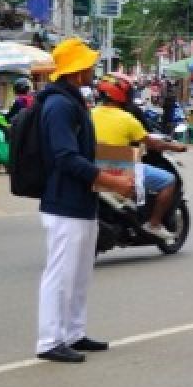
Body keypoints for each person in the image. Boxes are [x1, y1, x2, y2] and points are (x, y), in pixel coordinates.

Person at [35, 38, 136, 364]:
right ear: (77, 71)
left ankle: (74, 332)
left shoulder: (72, 100)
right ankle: (50, 340)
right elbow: (66, 158)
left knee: (79, 274)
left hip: (81, 201)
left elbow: (84, 152)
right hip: (65, 203)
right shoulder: (59, 106)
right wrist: (113, 182)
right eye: (90, 64)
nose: (94, 69)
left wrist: (115, 171)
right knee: (60, 274)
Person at [91, 73, 188, 242]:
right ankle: (154, 223)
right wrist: (176, 147)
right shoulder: (127, 119)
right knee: (169, 180)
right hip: (118, 169)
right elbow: (154, 144)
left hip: (91, 169)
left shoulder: (88, 114)